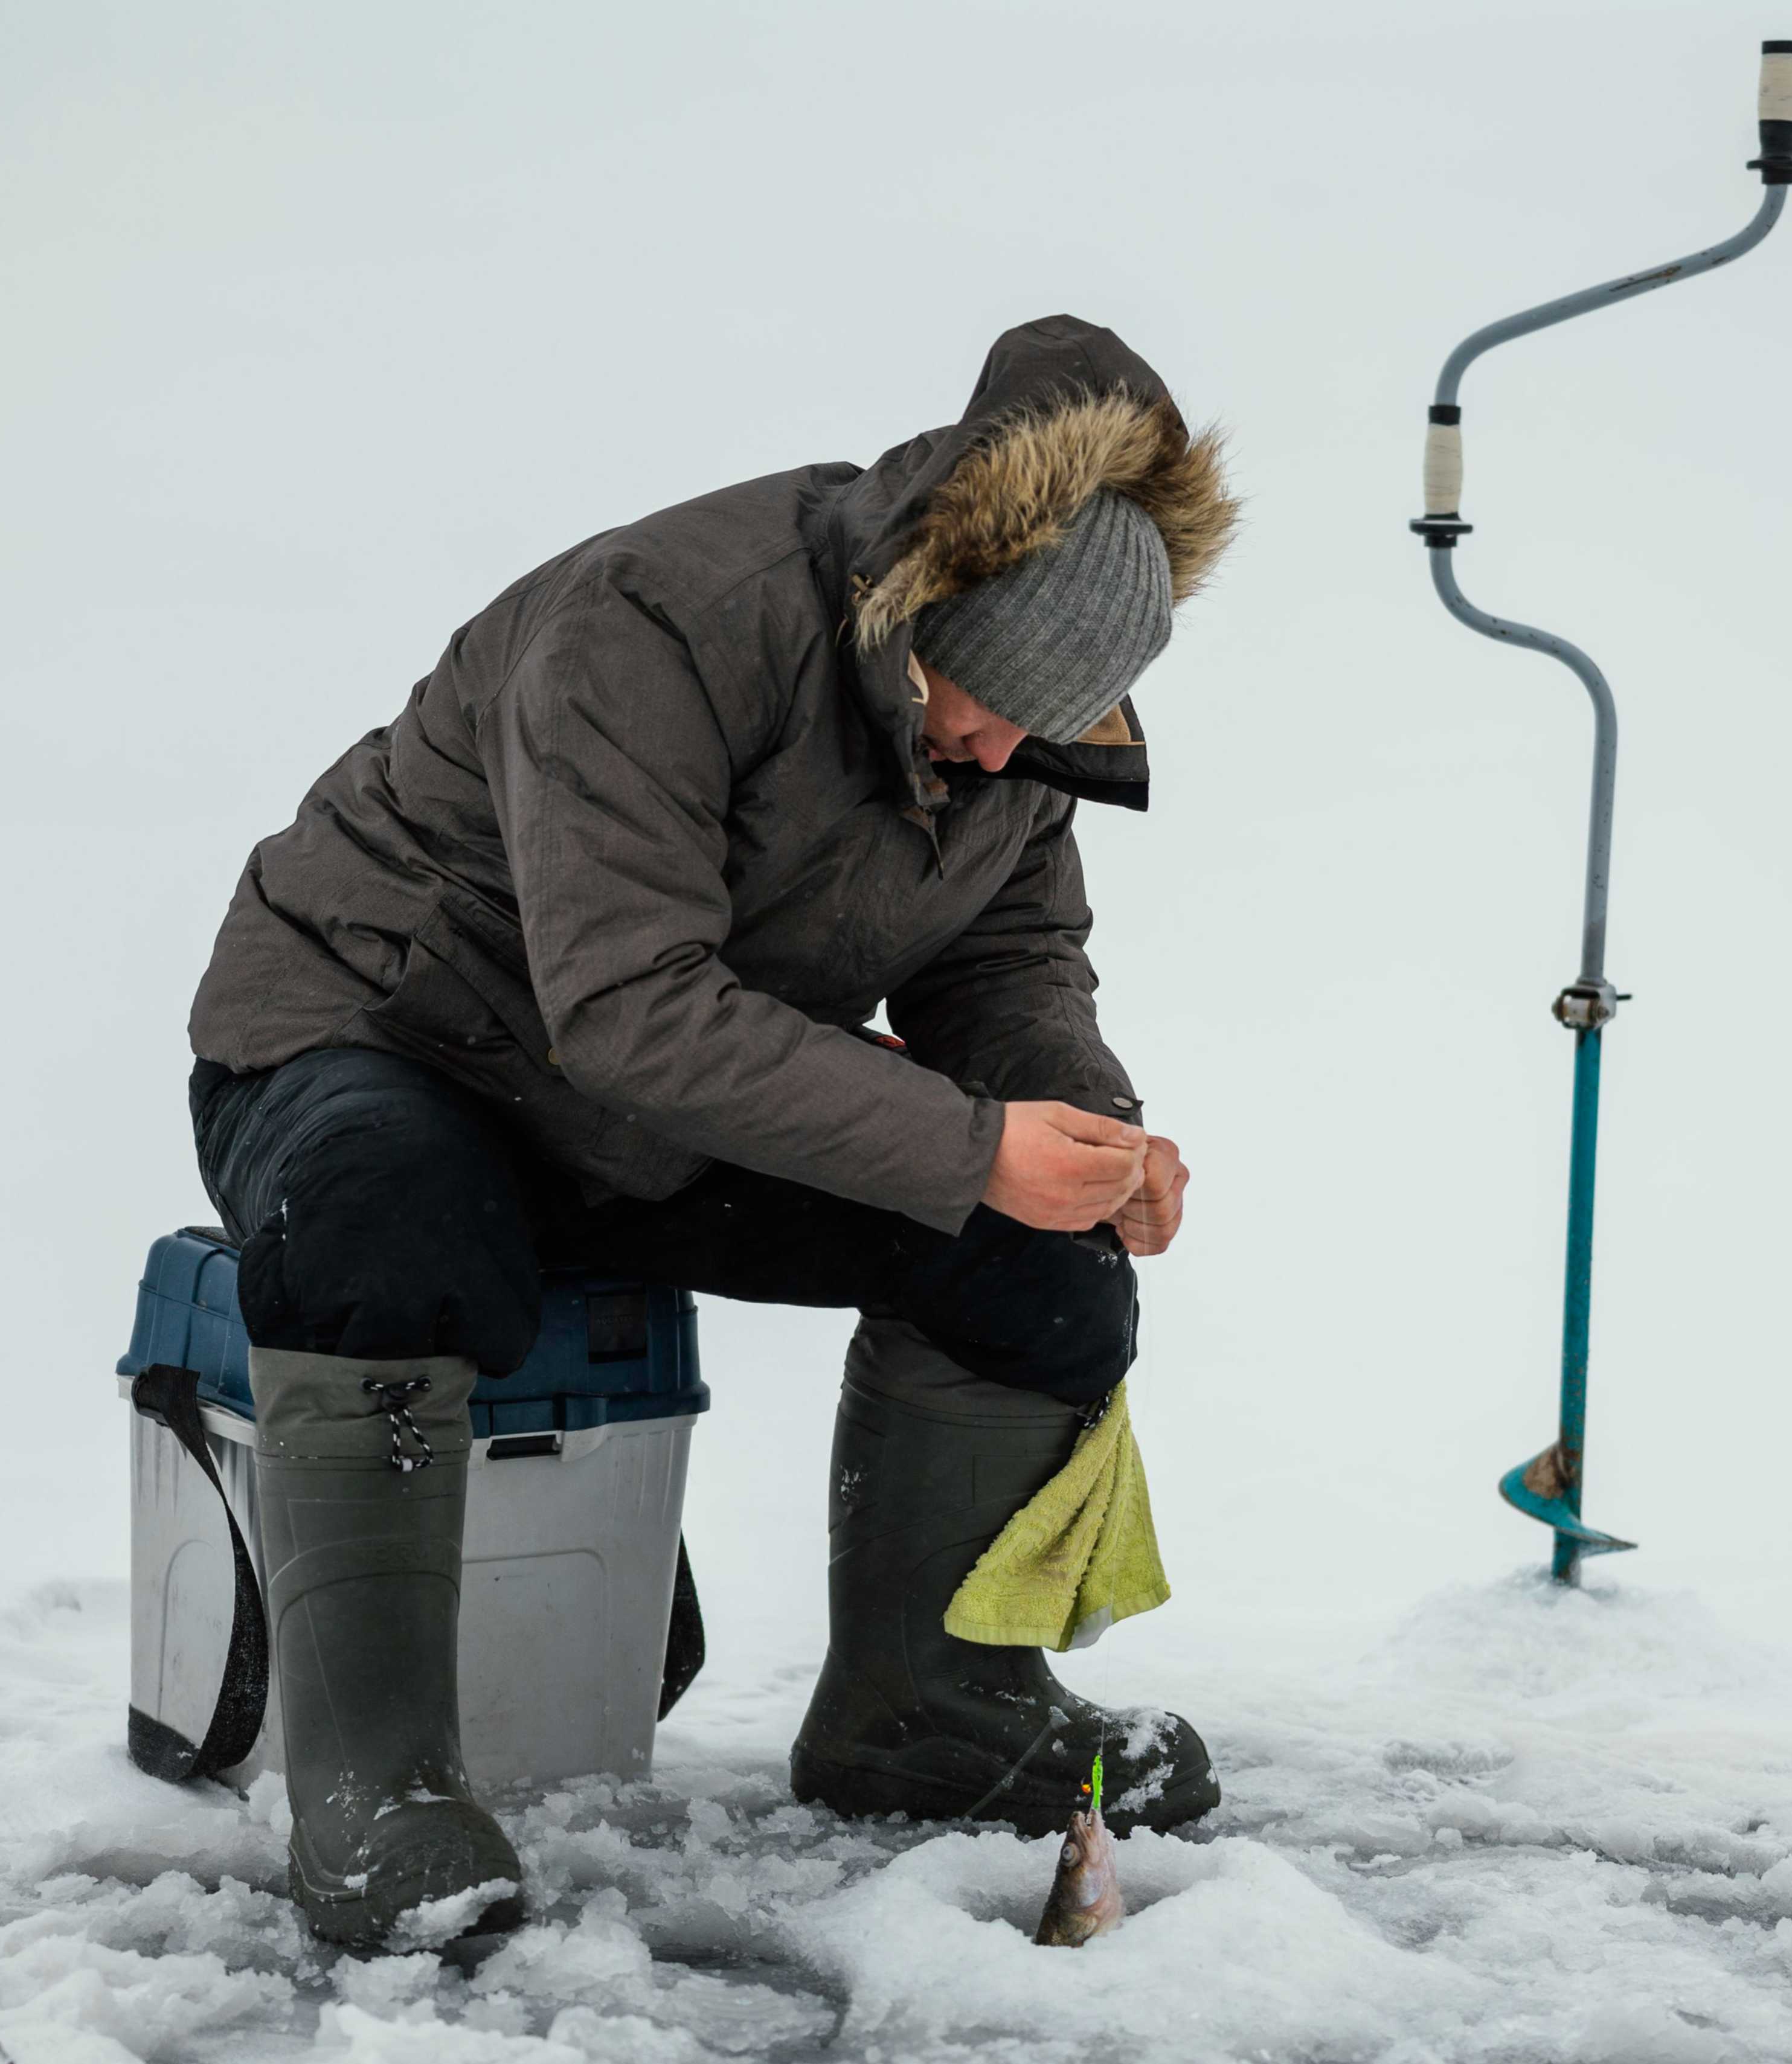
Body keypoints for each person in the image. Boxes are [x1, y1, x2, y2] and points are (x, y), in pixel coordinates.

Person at [184, 315, 1239, 1946]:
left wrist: (1084, 1136)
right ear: (921, 607)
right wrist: (967, 1143)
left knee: (1040, 1255)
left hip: (659, 1116)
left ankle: (926, 1715)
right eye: (982, 709)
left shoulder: (1017, 739)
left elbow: (1008, 960)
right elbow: (626, 1004)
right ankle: (374, 1789)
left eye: (1046, 731)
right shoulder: (663, 626)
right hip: (386, 1042)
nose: (1000, 756)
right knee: (391, 1232)